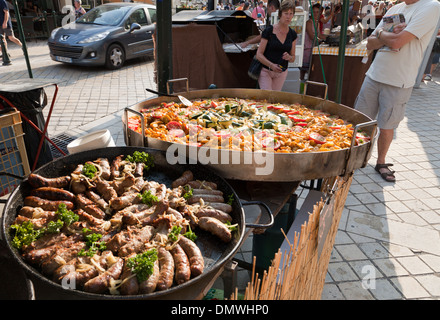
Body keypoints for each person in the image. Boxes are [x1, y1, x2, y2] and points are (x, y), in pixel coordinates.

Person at [354, 0, 440, 182]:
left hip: (399, 81)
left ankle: (381, 161)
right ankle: (356, 157)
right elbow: (370, 42)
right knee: (361, 121)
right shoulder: (395, 8)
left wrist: (382, 35)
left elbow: (397, 42)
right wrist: (388, 34)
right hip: (373, 75)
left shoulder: (431, 6)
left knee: (387, 126)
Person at [255, 0, 297, 90]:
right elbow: (259, 54)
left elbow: (293, 58)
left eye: (291, 13)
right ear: (280, 14)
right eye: (286, 13)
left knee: (275, 99)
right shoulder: (269, 31)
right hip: (266, 70)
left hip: (281, 72)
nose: (288, 17)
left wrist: (289, 57)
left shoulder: (293, 34)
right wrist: (271, 65)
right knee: (267, 98)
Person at [300, 3, 326, 80]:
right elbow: (312, 36)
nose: (315, 14)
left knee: (311, 70)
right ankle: (301, 86)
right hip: (307, 49)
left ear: (320, 13)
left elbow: (319, 35)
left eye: (317, 12)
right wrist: (321, 40)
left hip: (313, 48)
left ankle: (307, 86)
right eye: (314, 12)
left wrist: (327, 38)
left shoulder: (317, 22)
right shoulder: (309, 22)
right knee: (304, 71)